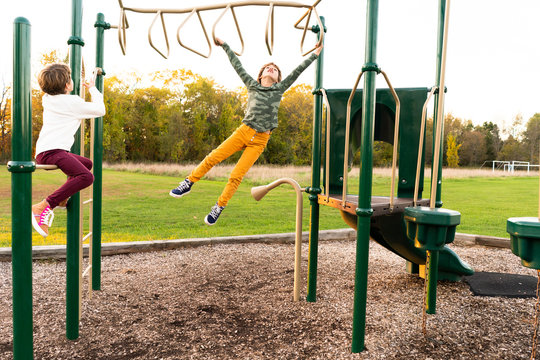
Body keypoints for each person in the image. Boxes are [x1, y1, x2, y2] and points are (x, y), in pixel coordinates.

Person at [170, 37, 323, 225]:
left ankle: (219, 206)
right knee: (213, 157)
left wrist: (315, 54)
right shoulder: (252, 84)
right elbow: (237, 65)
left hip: (260, 140)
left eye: (275, 69)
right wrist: (225, 45)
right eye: (268, 67)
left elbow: (297, 71)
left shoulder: (279, 89)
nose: (271, 69)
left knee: (236, 175)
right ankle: (188, 183)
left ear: (278, 78)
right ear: (261, 75)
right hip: (243, 131)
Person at [31, 63, 106, 237]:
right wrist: (92, 88)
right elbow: (100, 110)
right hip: (54, 152)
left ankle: (63, 197)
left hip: (46, 151)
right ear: (67, 85)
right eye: (70, 79)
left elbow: (54, 84)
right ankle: (43, 206)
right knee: (86, 177)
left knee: (87, 164)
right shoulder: (73, 103)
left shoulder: (47, 98)